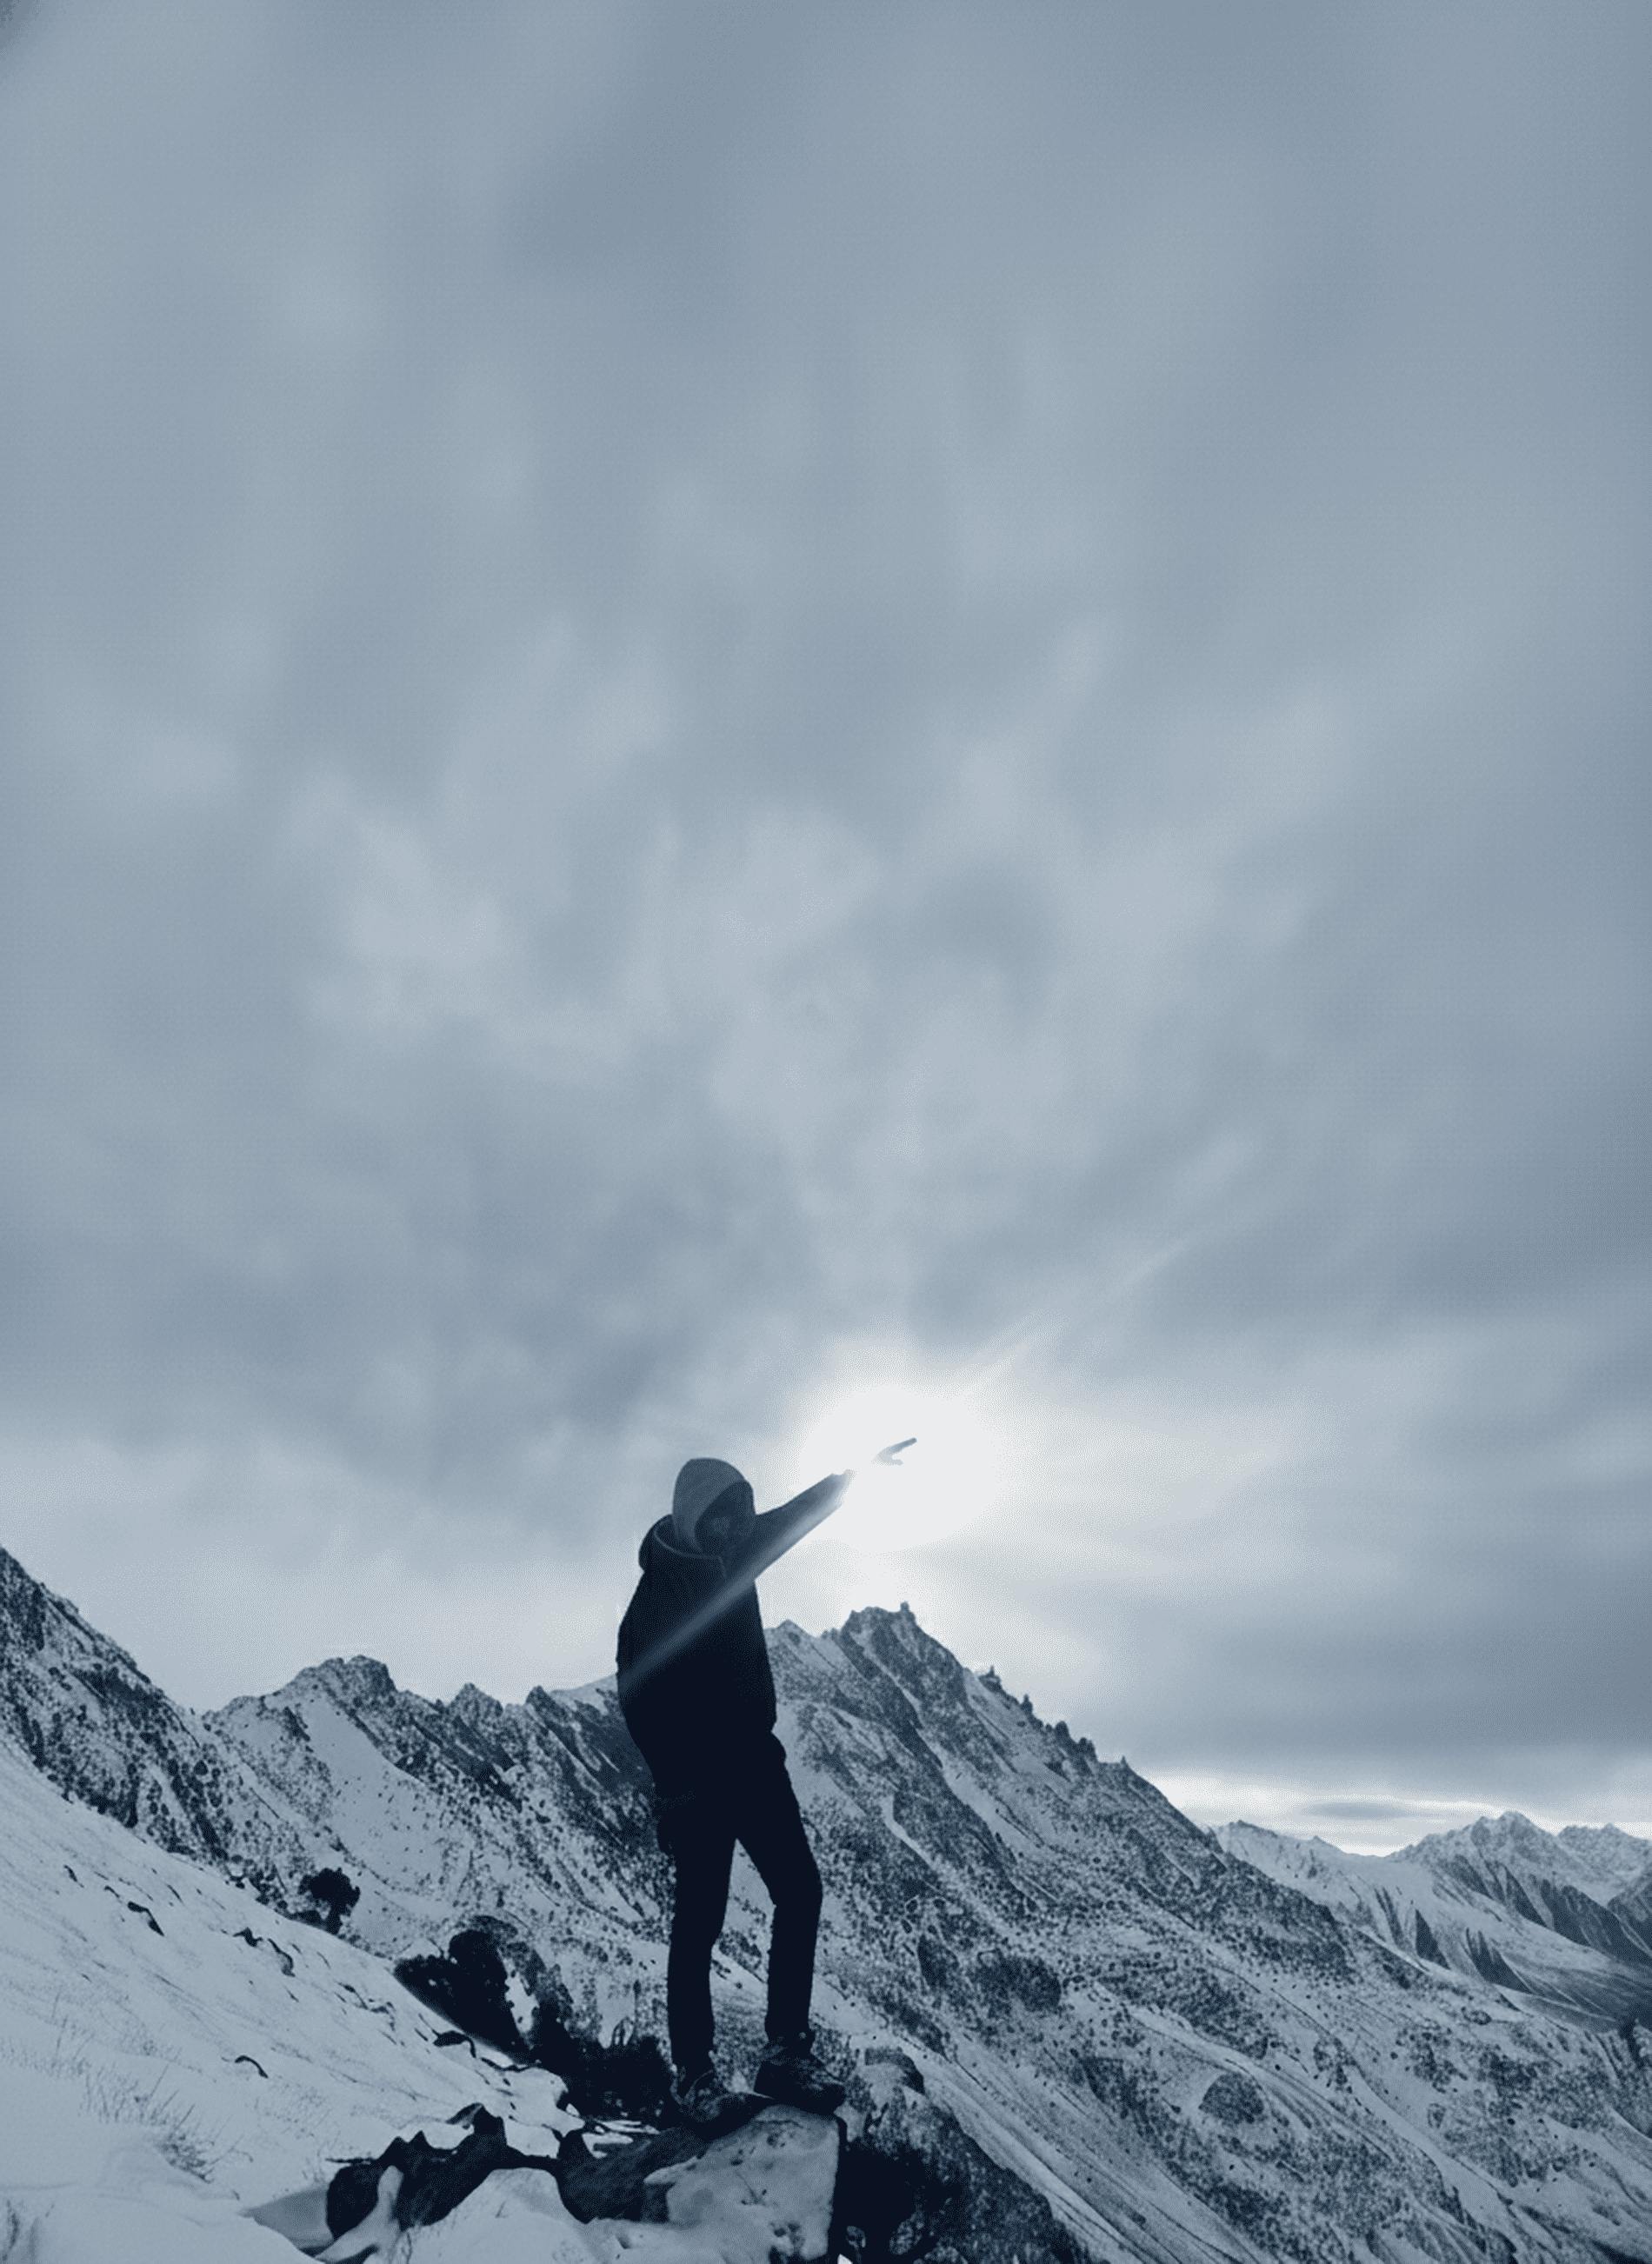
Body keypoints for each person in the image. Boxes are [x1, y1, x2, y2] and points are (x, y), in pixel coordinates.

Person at [617, 1450, 903, 2130]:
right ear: (693, 1521)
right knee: (699, 1927)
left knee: (799, 1892)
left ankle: (784, 2052)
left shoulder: (737, 1550)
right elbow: (638, 1701)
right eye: (721, 1521)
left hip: (753, 1760)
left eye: (740, 1516)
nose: (734, 1530)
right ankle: (694, 2075)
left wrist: (858, 1474)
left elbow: (793, 1518)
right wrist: (674, 1786)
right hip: (697, 1784)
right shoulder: (657, 1603)